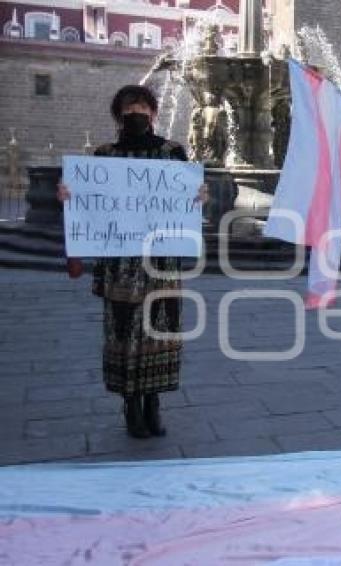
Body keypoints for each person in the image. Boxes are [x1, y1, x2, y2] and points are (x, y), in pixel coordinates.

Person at [57, 85, 208, 438]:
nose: (136, 112)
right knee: (124, 336)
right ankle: (131, 406)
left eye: (142, 105)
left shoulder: (173, 153)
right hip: (120, 264)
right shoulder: (104, 156)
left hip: (161, 262)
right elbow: (88, 206)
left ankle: (154, 404)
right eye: (129, 107)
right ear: (118, 114)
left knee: (161, 333)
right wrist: (69, 196)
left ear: (154, 113)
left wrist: (199, 195)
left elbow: (187, 201)